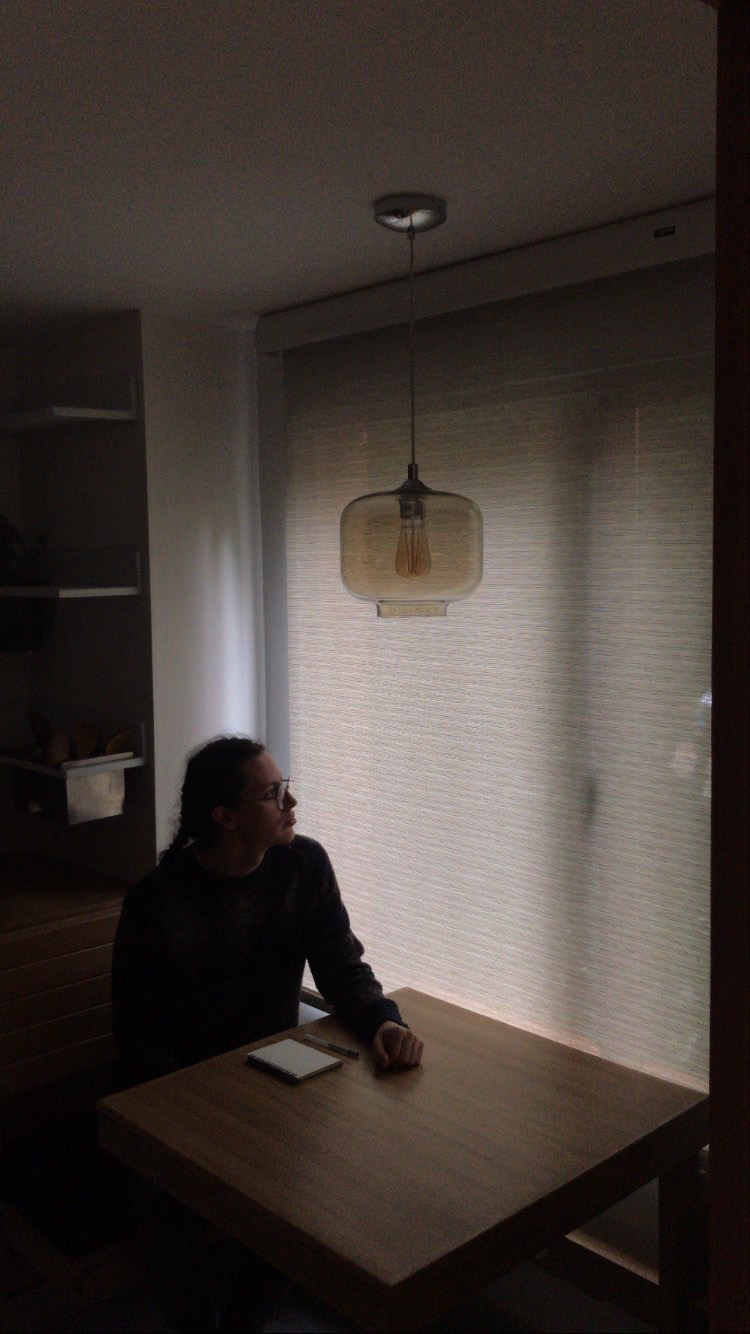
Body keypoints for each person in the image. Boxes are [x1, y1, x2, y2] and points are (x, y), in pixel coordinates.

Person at [111, 734, 423, 1330]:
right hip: (179, 1093)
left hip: (276, 1079)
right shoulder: (157, 901)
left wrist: (383, 1019)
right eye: (273, 794)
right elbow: (138, 1034)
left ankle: (246, 1319)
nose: (291, 804)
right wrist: (204, 1108)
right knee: (171, 1215)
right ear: (224, 816)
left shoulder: (304, 866)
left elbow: (341, 965)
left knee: (308, 1195)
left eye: (287, 788)